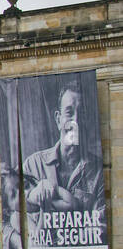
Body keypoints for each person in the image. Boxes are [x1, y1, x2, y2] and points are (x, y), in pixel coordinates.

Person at [23, 84, 106, 219]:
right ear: (58, 119)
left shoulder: (98, 171)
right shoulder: (33, 165)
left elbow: (101, 225)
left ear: (87, 120)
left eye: (82, 113)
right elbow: (9, 217)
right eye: (69, 112)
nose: (76, 121)